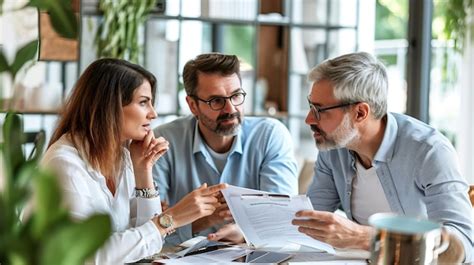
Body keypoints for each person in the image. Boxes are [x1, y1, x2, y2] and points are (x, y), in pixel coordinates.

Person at [41, 58, 227, 264]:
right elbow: (87, 256)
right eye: (143, 102)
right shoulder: (65, 166)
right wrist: (172, 218)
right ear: (109, 106)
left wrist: (143, 169)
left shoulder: (122, 158)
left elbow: (147, 248)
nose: (153, 113)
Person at [292, 52, 473, 262]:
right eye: (310, 105)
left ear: (360, 113)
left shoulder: (429, 151)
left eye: (320, 110)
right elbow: (310, 221)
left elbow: (465, 245)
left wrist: (363, 237)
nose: (309, 119)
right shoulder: (333, 148)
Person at [153, 53, 298, 244]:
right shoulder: (164, 141)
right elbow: (151, 230)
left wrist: (245, 233)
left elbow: (283, 218)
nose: (230, 109)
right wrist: (204, 221)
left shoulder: (270, 135)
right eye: (216, 101)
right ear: (192, 105)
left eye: (236, 96)